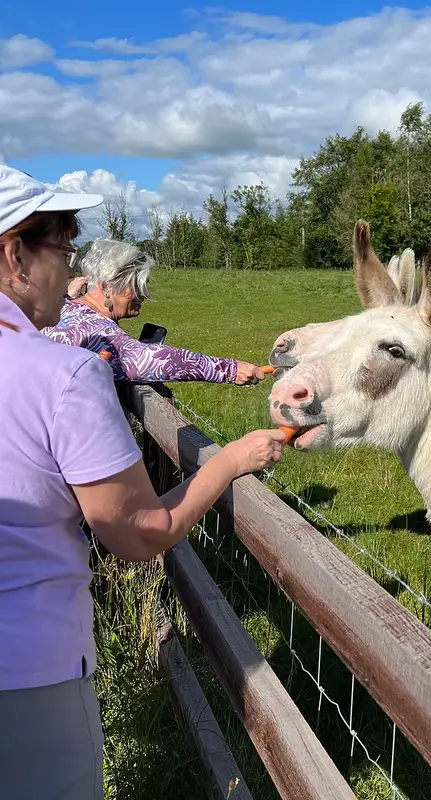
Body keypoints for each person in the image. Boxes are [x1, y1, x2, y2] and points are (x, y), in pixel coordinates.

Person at [0, 163, 286, 799]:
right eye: (63, 248)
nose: (68, 270)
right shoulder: (64, 370)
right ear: (17, 255)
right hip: (25, 674)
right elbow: (138, 532)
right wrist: (228, 460)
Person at [42, 238, 266, 385]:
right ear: (105, 287)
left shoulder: (66, 307)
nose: (145, 294)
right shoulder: (94, 329)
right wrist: (229, 369)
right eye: (136, 286)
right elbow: (150, 359)